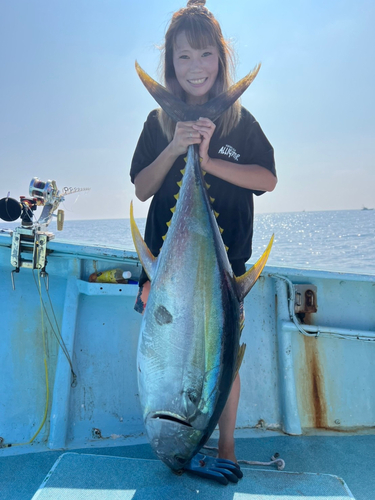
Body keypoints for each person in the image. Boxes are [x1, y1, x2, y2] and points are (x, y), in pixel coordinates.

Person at [130, 0, 277, 464]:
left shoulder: (240, 121)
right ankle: (188, 430)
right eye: (183, 56)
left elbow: (267, 179)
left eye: (205, 54)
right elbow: (141, 188)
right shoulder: (157, 122)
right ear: (171, 65)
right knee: (169, 352)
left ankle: (227, 448)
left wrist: (210, 162)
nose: (196, 67)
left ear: (221, 58)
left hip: (222, 268)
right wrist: (177, 146)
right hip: (167, 269)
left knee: (222, 359)